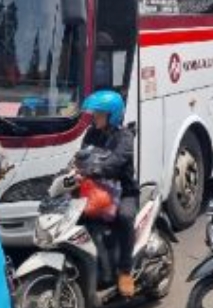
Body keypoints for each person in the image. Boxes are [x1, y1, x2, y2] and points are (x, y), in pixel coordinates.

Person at [80, 89, 138, 298]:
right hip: (97, 191)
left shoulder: (125, 136)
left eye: (98, 113)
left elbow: (117, 160)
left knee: (124, 217)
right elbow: (82, 155)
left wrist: (97, 169)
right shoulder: (91, 133)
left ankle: (124, 271)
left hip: (124, 192)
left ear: (112, 114)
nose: (94, 117)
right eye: (94, 113)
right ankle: (99, 268)